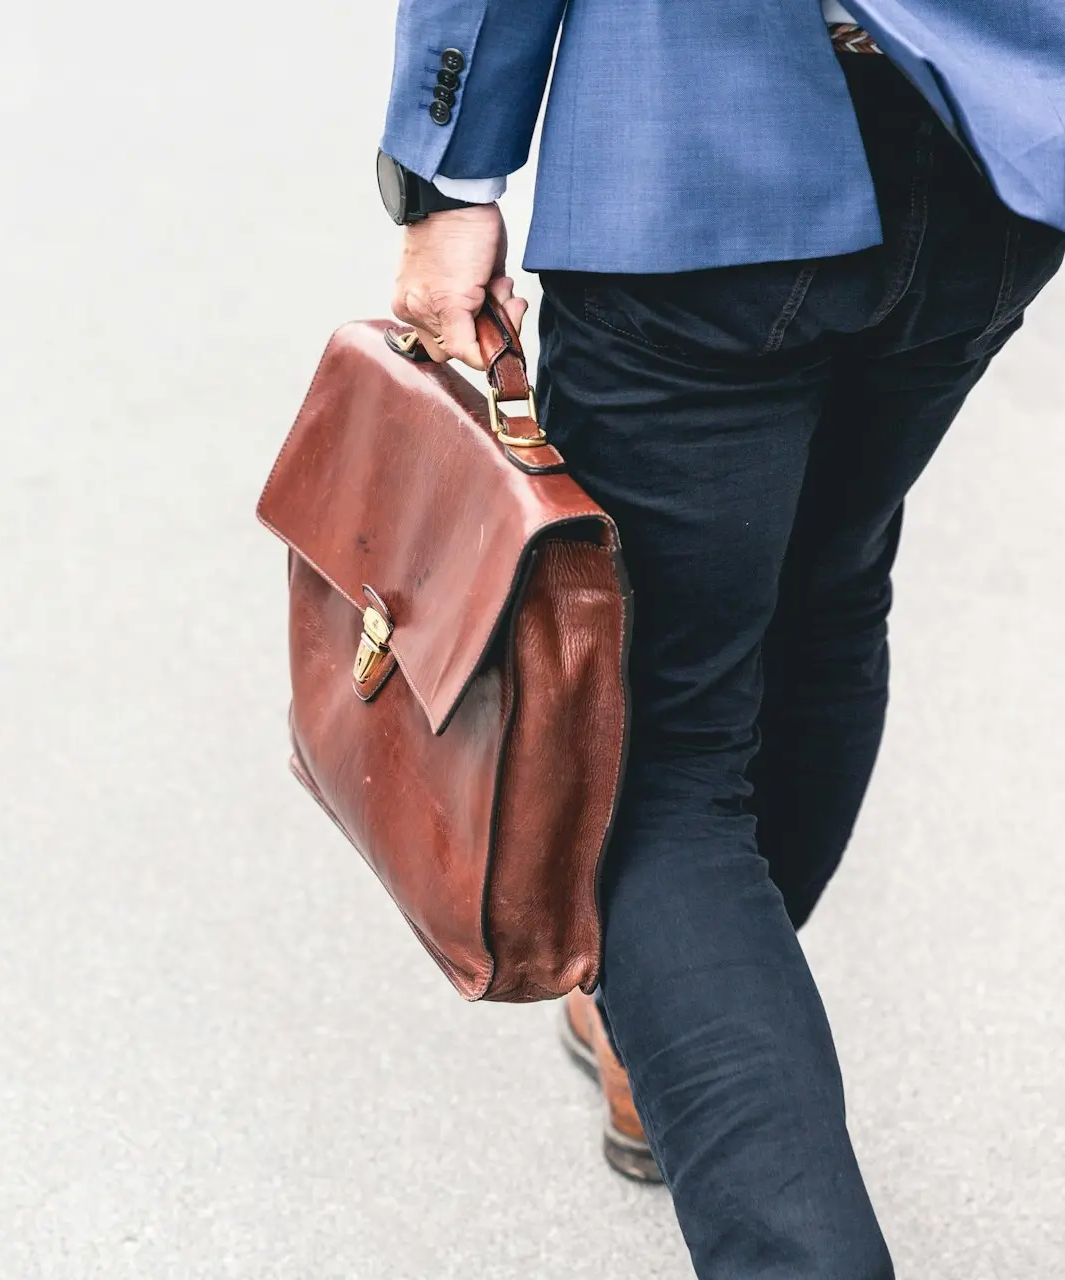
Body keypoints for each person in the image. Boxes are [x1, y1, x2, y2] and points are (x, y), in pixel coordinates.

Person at [375, 2, 1065, 1276]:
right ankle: (673, 1026)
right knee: (827, 585)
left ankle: (731, 1116)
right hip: (999, 154)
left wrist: (448, 170)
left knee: (651, 751)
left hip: (697, 141)